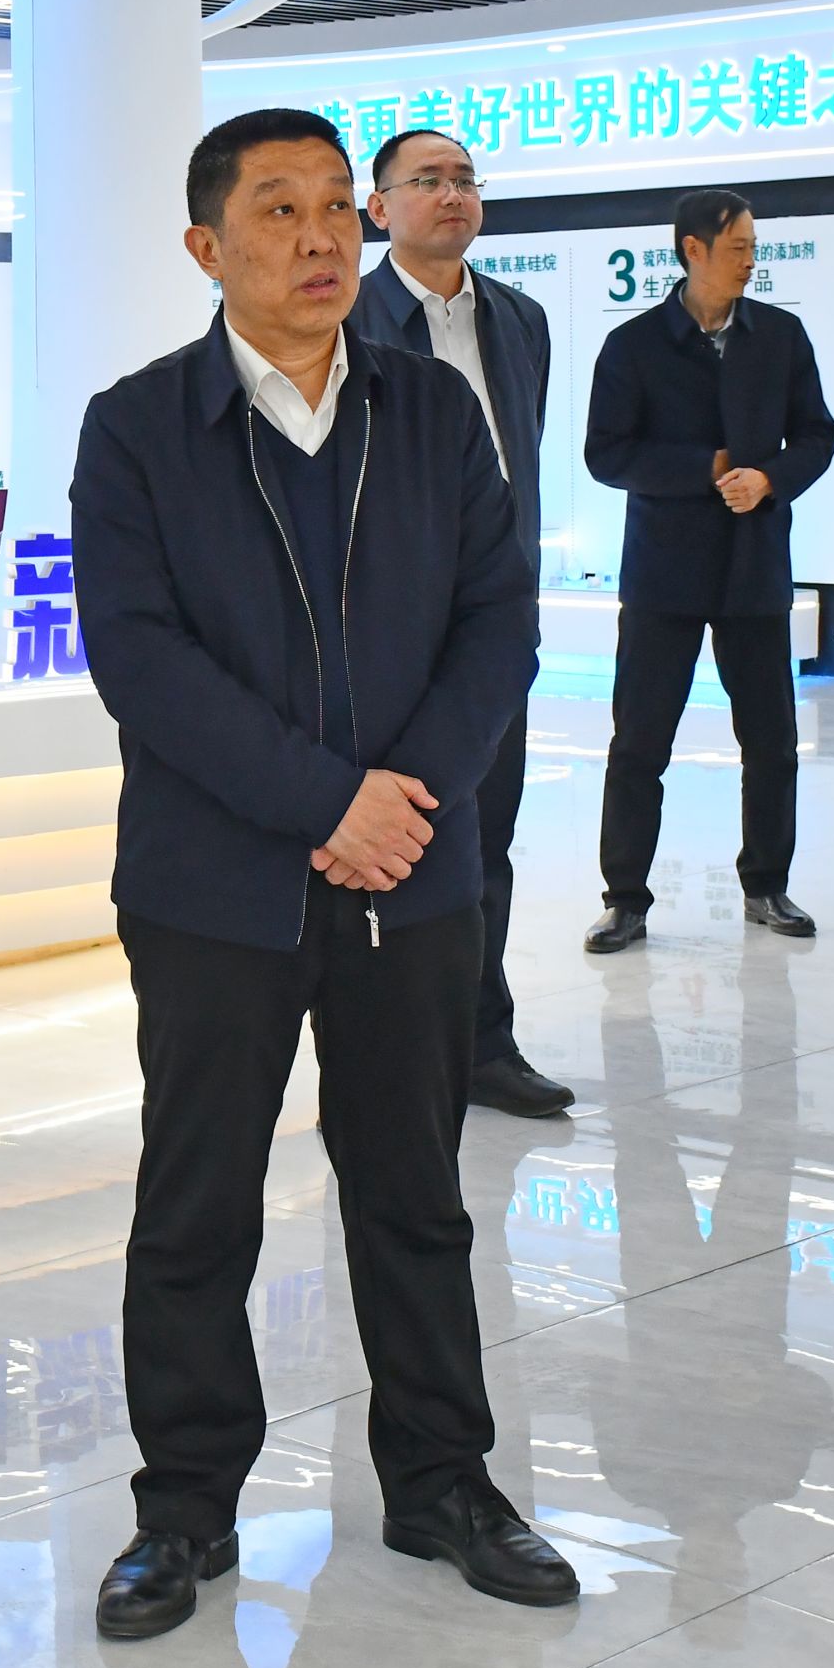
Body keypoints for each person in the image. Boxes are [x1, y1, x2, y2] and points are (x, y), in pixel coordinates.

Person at [72, 106, 570, 1640]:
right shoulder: (138, 426)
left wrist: (400, 805)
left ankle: (442, 1478)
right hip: (213, 888)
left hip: (411, 879)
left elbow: (500, 617)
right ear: (205, 245)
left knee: (417, 1193)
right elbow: (142, 659)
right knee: (197, 1202)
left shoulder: (430, 410)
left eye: (335, 206)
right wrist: (324, 803)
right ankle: (184, 1504)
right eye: (277, 209)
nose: (318, 238)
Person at [354, 126, 572, 1117]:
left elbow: (520, 459)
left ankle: (482, 1042)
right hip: (384, 629)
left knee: (486, 838)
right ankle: (384, 1046)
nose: (452, 194)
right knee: (386, 842)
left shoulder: (521, 320)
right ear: (379, 208)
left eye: (465, 179)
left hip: (493, 627)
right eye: (427, 180)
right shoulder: (347, 314)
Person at [582, 187, 834, 952]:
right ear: (693, 249)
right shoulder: (633, 345)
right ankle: (625, 899)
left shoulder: (781, 336)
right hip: (664, 575)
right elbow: (606, 454)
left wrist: (770, 479)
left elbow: (817, 435)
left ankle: (767, 885)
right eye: (738, 247)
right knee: (640, 744)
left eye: (754, 246)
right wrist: (707, 468)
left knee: (772, 742)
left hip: (754, 568)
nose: (751, 260)